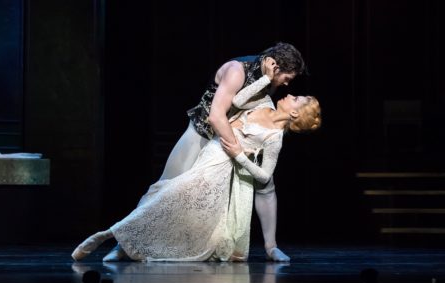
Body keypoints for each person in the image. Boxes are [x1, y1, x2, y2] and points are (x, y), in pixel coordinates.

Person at [102, 42, 308, 262]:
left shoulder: (269, 80)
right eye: (287, 77)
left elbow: (252, 107)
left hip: (232, 142)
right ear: (275, 66)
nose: (287, 84)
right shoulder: (237, 71)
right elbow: (216, 115)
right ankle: (125, 243)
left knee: (266, 184)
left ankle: (271, 247)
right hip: (204, 134)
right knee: (166, 187)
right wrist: (237, 151)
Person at [71, 93, 321, 262]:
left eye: (295, 98)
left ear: (296, 114)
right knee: (164, 194)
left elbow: (265, 176)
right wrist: (265, 76)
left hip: (218, 168)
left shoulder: (275, 138)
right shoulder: (262, 102)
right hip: (208, 152)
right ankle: (123, 243)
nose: (289, 95)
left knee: (170, 198)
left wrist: (240, 156)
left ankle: (110, 234)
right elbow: (237, 98)